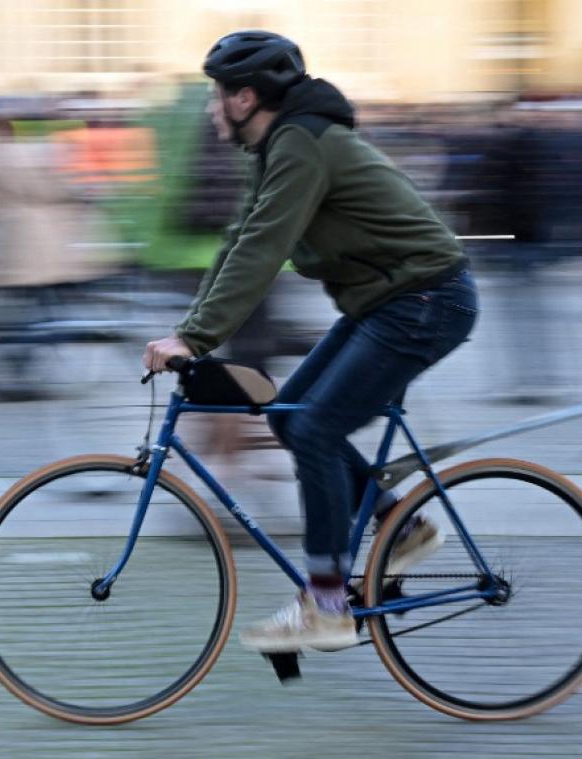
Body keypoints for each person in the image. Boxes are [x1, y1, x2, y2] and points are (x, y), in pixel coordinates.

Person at [142, 31, 477, 652]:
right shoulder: (278, 148)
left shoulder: (300, 143)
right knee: (291, 418)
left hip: (425, 302)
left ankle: (328, 604)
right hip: (389, 303)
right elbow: (241, 241)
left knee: (316, 428)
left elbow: (266, 250)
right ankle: (398, 526)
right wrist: (191, 332)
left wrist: (195, 336)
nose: (212, 110)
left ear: (246, 98)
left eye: (218, 96)